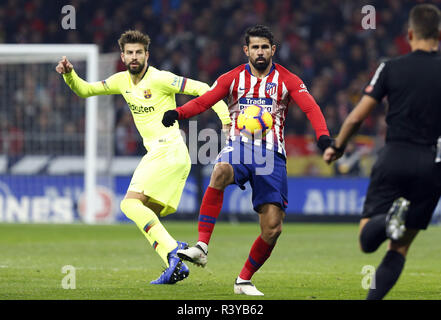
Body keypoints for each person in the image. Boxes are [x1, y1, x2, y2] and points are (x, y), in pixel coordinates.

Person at [162, 25, 332, 295]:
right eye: (255, 47)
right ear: (246, 50)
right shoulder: (232, 78)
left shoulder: (287, 80)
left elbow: (311, 107)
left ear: (273, 50)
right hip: (240, 147)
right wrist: (178, 113)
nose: (260, 52)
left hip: (272, 155)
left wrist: (323, 136)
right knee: (219, 171)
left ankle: (243, 280)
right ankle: (202, 247)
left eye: (265, 47)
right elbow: (205, 100)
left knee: (273, 228)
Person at [55, 30, 231, 284]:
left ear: (147, 55)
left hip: (168, 148)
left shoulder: (161, 78)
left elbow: (203, 88)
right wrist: (70, 75)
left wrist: (225, 118)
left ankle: (173, 250)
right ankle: (175, 264)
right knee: (144, 214)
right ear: (123, 56)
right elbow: (86, 90)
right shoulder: (120, 81)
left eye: (139, 52)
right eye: (130, 53)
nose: (134, 57)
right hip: (165, 154)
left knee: (128, 204)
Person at [323, 4, 441, 300]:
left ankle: (387, 219)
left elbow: (356, 117)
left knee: (367, 240)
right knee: (399, 248)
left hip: (395, 156)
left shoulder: (390, 67)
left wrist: (338, 146)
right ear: (439, 34)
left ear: (410, 33)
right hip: (432, 164)